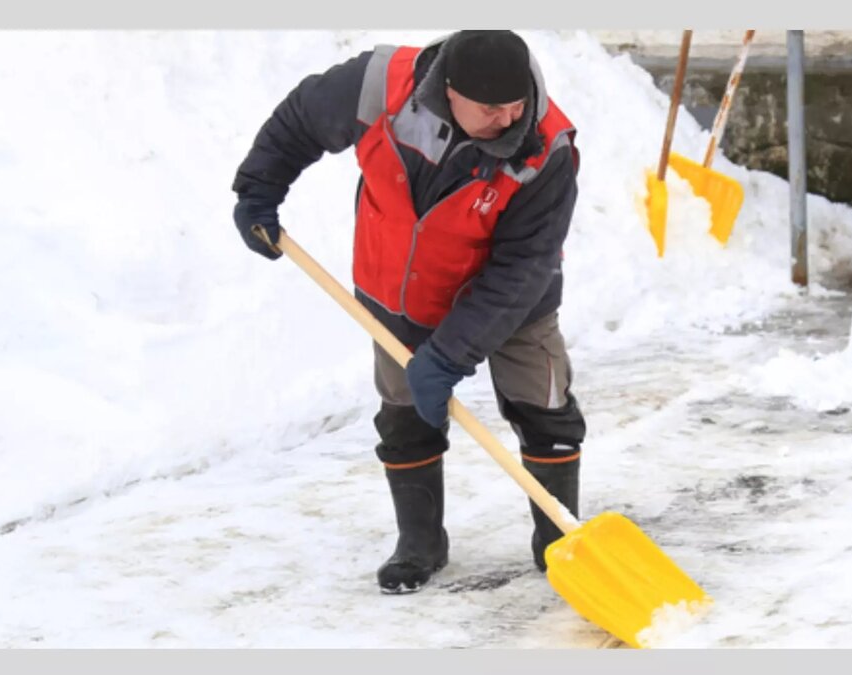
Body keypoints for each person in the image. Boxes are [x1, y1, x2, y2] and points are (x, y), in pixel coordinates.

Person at [230, 30, 587, 594]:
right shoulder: (379, 87)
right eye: (492, 108)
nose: (509, 118)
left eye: (517, 104)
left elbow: (521, 269)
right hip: (398, 288)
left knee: (544, 407)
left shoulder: (547, 150)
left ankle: (560, 542)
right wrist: (257, 191)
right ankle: (420, 543)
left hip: (515, 304)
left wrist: (449, 355)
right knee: (405, 414)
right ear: (449, 89)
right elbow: (301, 120)